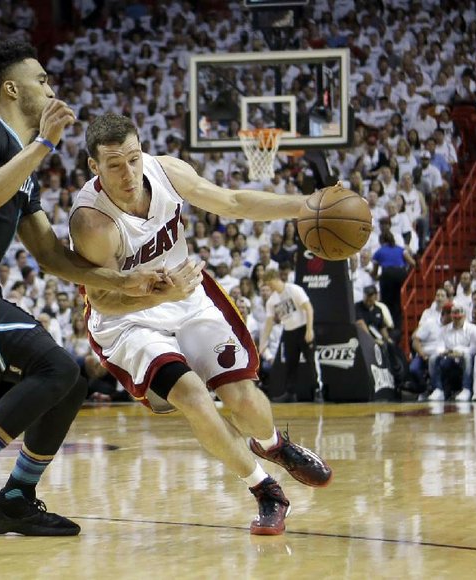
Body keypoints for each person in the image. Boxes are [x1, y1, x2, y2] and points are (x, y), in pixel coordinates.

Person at [0, 41, 162, 547]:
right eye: (41, 78)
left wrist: (126, 281)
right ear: (13, 88)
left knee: (68, 383)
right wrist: (43, 145)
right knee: (58, 367)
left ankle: (15, 498)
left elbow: (51, 257)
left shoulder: (21, 165)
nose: (51, 86)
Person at [68, 113, 332, 537]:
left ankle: (273, 446)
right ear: (94, 167)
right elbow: (99, 296)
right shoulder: (92, 222)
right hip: (128, 320)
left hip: (187, 297)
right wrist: (157, 295)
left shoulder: (166, 172)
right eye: (114, 165)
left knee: (242, 398)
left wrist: (301, 205)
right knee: (192, 395)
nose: (128, 173)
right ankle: (265, 489)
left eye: (134, 159)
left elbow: (230, 202)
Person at [259, 269, 321, 404]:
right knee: (290, 364)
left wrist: (309, 329)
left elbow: (309, 308)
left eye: (270, 283)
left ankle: (317, 391)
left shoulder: (293, 289)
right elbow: (269, 324)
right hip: (288, 332)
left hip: (303, 327)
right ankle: (290, 393)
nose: (269, 287)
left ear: (276, 279)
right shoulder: (272, 301)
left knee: (311, 361)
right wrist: (263, 343)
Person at [425, 305, 476, 402]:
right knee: (433, 358)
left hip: (464, 356)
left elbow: (475, 347)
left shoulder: (473, 329)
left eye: (459, 318)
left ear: (464, 316)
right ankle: (438, 389)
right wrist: (445, 352)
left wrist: (461, 351)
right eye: (455, 318)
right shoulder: (444, 329)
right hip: (449, 356)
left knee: (467, 357)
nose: (457, 320)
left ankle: (466, 389)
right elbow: (439, 346)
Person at [372, 231, 416, 331]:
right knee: (398, 301)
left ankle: (389, 326)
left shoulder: (379, 251)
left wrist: (377, 276)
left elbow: (375, 272)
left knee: (387, 303)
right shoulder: (401, 249)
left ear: (381, 241)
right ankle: (398, 327)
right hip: (401, 274)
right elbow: (413, 263)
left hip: (387, 275)